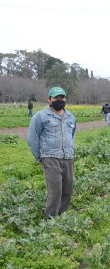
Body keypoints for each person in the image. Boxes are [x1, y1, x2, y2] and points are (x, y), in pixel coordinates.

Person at [27, 86, 76, 218]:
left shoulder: (70, 117)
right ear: (49, 99)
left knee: (67, 189)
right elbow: (32, 138)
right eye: (56, 98)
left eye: (62, 97)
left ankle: (61, 215)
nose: (59, 100)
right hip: (50, 157)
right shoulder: (40, 116)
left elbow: (72, 135)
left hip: (68, 157)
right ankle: (50, 220)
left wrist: (71, 150)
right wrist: (40, 157)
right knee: (55, 191)